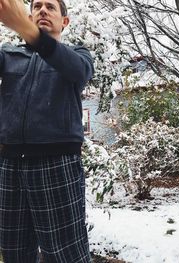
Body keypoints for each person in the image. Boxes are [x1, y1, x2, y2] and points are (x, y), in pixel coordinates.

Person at [0, 0, 94, 262]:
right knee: (14, 253)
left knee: (65, 255)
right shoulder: (8, 55)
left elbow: (78, 71)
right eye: (37, 5)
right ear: (27, 15)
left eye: (50, 7)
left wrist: (27, 31)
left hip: (56, 165)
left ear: (65, 22)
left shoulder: (78, 55)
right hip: (8, 166)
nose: (43, 10)